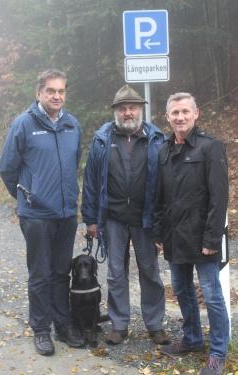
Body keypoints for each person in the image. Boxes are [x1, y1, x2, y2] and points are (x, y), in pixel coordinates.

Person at [0, 69, 85, 356]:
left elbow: (74, 164)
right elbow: (7, 169)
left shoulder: (72, 124)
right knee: (40, 274)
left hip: (66, 214)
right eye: (51, 91)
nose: (57, 96)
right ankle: (41, 329)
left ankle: (63, 324)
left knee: (61, 272)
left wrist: (68, 199)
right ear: (39, 93)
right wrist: (27, 198)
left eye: (61, 91)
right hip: (36, 216)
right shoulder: (23, 124)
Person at [81, 84, 170, 345]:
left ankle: (155, 325)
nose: (128, 112)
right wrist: (90, 219)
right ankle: (119, 325)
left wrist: (162, 222)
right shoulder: (101, 140)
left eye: (132, 107)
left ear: (141, 109)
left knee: (150, 271)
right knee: (115, 273)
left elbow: (166, 185)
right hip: (113, 218)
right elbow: (91, 182)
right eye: (122, 108)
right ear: (115, 112)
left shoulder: (157, 139)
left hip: (146, 218)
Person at [153, 92, 229, 375]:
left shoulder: (211, 147)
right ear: (168, 117)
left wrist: (212, 239)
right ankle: (193, 339)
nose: (180, 117)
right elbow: (159, 196)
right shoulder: (163, 150)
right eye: (175, 113)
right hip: (174, 237)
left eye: (185, 111)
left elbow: (218, 199)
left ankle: (218, 352)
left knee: (211, 296)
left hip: (202, 239)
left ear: (196, 114)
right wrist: (158, 232)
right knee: (183, 291)